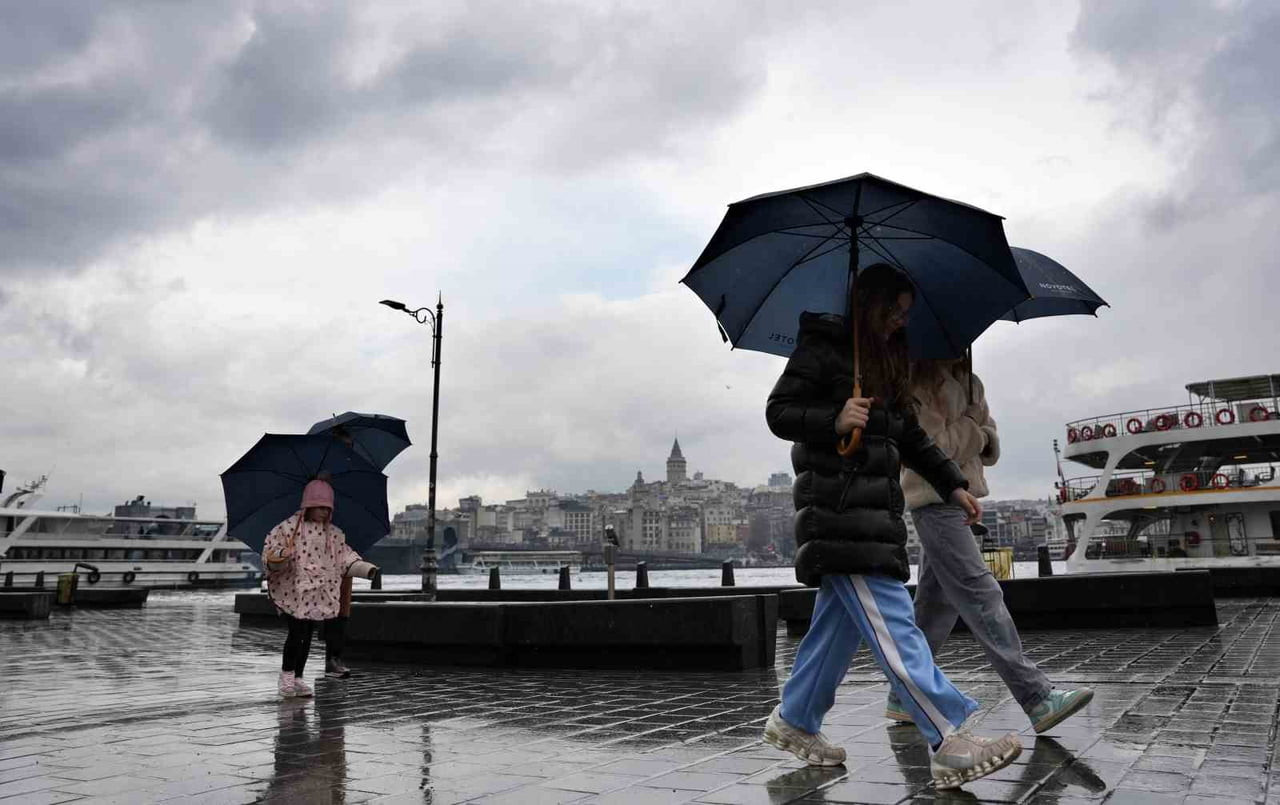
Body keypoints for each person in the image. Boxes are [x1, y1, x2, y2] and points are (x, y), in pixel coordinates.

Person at [762, 264, 1022, 790]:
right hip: (840, 514)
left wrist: (952, 484)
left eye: (906, 313)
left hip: (875, 514)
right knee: (895, 624)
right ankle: (948, 737)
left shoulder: (887, 359)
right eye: (894, 310)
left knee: (836, 629)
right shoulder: (823, 346)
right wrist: (833, 420)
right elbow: (778, 411)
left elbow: (908, 433)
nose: (900, 321)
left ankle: (795, 718)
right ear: (869, 304)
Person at [896, 358, 1093, 735]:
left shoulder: (971, 382)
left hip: (963, 499)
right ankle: (1036, 697)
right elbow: (931, 447)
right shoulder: (918, 381)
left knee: (935, 606)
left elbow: (992, 446)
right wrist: (975, 428)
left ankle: (904, 692)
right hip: (934, 499)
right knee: (981, 594)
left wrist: (974, 433)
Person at [263, 478, 378, 697]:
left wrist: (364, 568)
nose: (324, 512)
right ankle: (286, 676)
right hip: (293, 589)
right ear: (309, 505)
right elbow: (270, 550)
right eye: (320, 507)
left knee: (307, 635)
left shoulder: (333, 534)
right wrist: (279, 556)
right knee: (296, 633)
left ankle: (298, 677)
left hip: (317, 592)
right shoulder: (289, 528)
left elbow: (345, 556)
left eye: (328, 508)